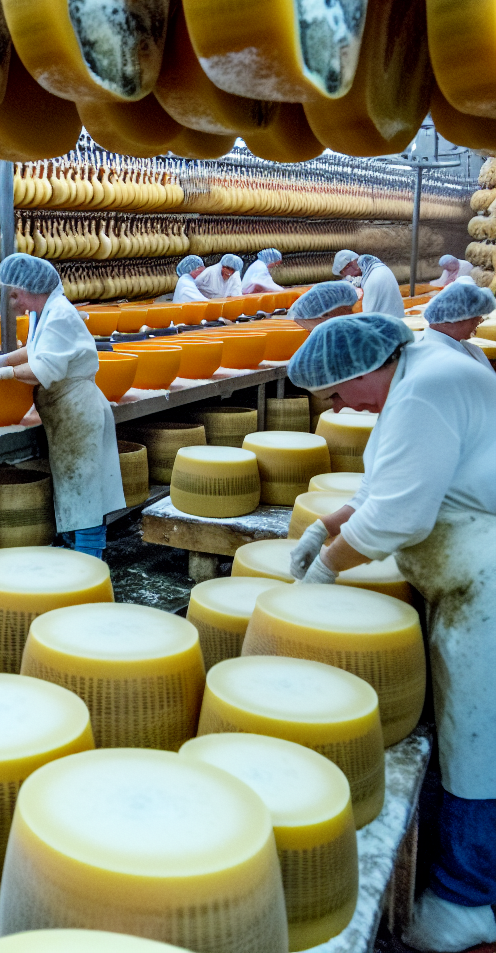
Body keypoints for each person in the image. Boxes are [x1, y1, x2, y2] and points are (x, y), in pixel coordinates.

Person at [286, 314, 496, 953]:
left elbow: (397, 515)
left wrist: (325, 569)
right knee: (469, 728)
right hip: (464, 580)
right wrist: (327, 526)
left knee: (476, 740)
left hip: (485, 584)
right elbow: (386, 486)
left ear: (359, 370)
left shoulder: (427, 389)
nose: (341, 407)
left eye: (336, 394)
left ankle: (469, 899)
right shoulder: (420, 371)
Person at [0, 254, 125, 560]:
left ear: (35, 287)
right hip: (64, 414)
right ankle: (74, 554)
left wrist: (9, 373)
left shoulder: (61, 315)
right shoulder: (42, 313)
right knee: (73, 490)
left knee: (85, 494)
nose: (14, 302)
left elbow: (46, 369)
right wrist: (4, 358)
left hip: (78, 412)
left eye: (16, 294)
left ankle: (89, 564)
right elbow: (34, 350)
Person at [422, 282, 496, 372]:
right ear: (454, 319)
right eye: (474, 319)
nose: (479, 321)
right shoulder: (438, 355)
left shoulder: (466, 348)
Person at [337, 253, 405, 319]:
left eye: (346, 273)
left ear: (350, 265)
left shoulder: (372, 280)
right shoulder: (379, 267)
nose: (351, 276)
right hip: (397, 320)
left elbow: (369, 317)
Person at [289, 280, 359, 331]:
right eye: (349, 308)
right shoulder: (329, 333)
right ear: (325, 313)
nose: (350, 313)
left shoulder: (304, 325)